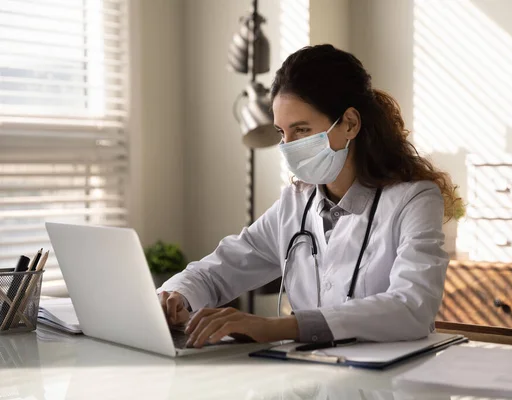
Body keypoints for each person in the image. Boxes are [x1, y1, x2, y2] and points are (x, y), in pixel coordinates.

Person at [158, 44, 460, 349]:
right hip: (312, 378)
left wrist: (276, 327)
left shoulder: (413, 199)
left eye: (301, 130)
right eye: (281, 133)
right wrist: (175, 296)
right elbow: (220, 270)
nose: (288, 146)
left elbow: (412, 307)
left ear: (350, 124)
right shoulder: (295, 203)